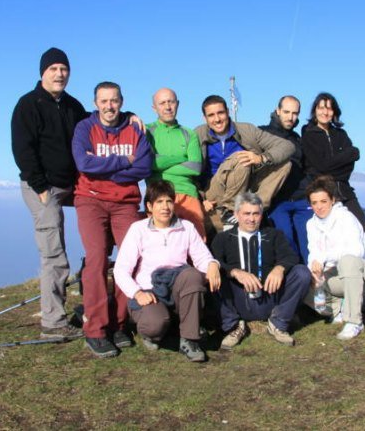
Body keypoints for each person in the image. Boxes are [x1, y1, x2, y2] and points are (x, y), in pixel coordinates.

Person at [72, 81, 153, 358]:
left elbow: (144, 166)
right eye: (104, 101)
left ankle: (119, 323)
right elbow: (83, 164)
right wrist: (123, 161)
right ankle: (95, 329)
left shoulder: (134, 128)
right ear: (95, 103)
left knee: (130, 260)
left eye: (114, 100)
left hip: (125, 203)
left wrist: (105, 170)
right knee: (96, 259)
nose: (109, 106)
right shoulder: (85, 128)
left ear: (122, 101)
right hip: (90, 199)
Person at [11, 47, 85, 340]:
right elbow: (22, 149)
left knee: (103, 225)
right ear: (42, 72)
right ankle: (54, 324)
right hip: (42, 187)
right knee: (54, 252)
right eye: (53, 69)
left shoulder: (72, 105)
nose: (59, 74)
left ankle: (96, 297)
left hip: (71, 184)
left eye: (63, 69)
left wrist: (127, 115)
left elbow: (94, 124)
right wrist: (41, 187)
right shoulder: (28, 105)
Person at [113, 180, 221, 362]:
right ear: (149, 206)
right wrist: (137, 293)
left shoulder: (186, 227)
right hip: (149, 291)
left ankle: (189, 340)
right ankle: (154, 333)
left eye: (169, 201)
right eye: (159, 202)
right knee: (155, 325)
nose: (165, 207)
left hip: (178, 287)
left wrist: (212, 264)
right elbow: (121, 269)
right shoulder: (138, 229)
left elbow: (202, 257)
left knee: (192, 275)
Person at [211, 192, 312, 350]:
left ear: (261, 214)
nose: (251, 219)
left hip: (268, 296)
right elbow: (214, 261)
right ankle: (234, 326)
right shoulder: (223, 238)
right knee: (213, 274)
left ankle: (278, 322)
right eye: (246, 213)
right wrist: (235, 272)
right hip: (239, 299)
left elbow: (290, 256)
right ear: (236, 214)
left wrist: (279, 268)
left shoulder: (273, 234)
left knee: (302, 273)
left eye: (256, 214)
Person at [195, 95, 294, 230]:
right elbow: (188, 171)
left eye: (220, 113)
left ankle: (254, 206)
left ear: (228, 112)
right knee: (241, 158)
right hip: (214, 189)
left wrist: (261, 158)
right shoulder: (197, 134)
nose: (217, 119)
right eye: (211, 115)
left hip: (245, 184)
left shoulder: (247, 130)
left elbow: (287, 146)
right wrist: (200, 199)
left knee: (284, 164)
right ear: (204, 118)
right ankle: (230, 211)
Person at [304, 176, 365, 340]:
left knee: (348, 261)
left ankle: (354, 321)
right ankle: (339, 309)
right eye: (314, 203)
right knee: (302, 279)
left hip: (363, 277)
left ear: (333, 200)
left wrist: (324, 258)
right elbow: (313, 252)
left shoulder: (346, 218)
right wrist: (314, 269)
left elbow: (356, 251)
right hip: (336, 277)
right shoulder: (311, 224)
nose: (319, 207)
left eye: (323, 201)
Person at [301, 92, 365, 254]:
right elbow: (321, 165)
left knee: (364, 231)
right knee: (332, 238)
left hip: (344, 191)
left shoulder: (340, 134)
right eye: (321, 108)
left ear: (334, 112)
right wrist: (347, 156)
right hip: (322, 192)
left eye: (329, 108)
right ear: (315, 110)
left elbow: (350, 163)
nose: (325, 112)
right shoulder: (308, 134)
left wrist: (341, 161)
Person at [146, 88, 206, 239]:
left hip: (187, 194)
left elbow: (195, 167)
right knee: (158, 243)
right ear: (154, 108)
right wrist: (181, 158)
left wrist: (161, 165)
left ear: (177, 104)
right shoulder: (147, 131)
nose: (168, 107)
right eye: (162, 103)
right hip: (158, 194)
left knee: (197, 242)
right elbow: (149, 163)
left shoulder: (189, 134)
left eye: (171, 102)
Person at [260, 95, 313, 262]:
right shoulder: (262, 134)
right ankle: (294, 276)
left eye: (295, 113)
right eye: (286, 112)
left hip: (301, 199)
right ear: (278, 111)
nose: (291, 117)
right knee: (286, 243)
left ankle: (312, 277)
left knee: (310, 243)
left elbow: (307, 167)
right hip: (277, 201)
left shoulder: (297, 138)